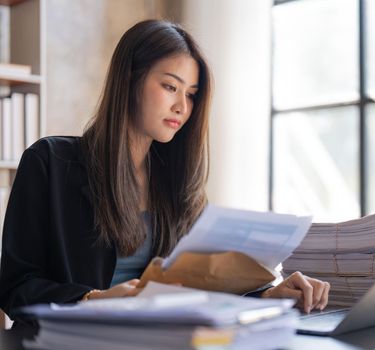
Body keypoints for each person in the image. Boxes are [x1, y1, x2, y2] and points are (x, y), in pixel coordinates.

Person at [0, 20, 329, 326]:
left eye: (190, 94)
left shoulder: (177, 182)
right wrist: (94, 300)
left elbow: (201, 285)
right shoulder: (50, 162)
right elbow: (15, 287)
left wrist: (268, 294)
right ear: (130, 79)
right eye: (170, 86)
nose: (182, 107)